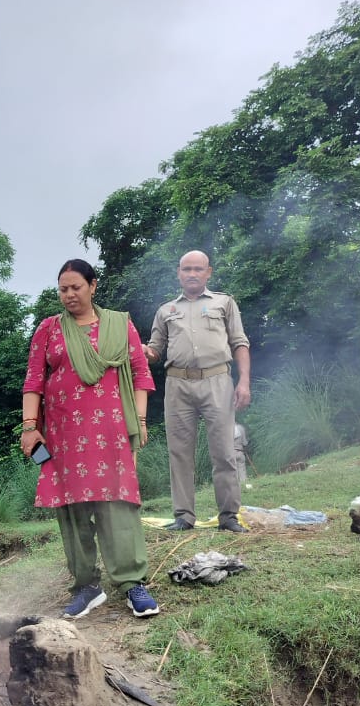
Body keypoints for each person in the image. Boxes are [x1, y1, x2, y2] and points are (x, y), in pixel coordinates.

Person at [21, 258, 160, 619]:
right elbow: (34, 380)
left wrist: (141, 421)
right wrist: (29, 427)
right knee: (72, 509)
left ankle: (132, 584)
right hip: (63, 435)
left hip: (111, 432)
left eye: (76, 288)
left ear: (93, 286)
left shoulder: (119, 324)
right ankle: (86, 586)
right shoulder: (49, 329)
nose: (69, 295)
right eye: (63, 289)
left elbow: (140, 373)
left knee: (118, 505)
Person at [143, 250, 251, 533]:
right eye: (186, 269)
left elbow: (240, 342)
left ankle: (228, 516)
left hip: (217, 380)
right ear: (178, 273)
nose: (192, 274)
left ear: (208, 272)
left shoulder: (224, 303)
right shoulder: (166, 310)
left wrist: (244, 382)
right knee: (179, 452)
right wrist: (140, 350)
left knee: (224, 451)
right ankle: (184, 516)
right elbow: (155, 349)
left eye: (198, 269)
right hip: (178, 384)